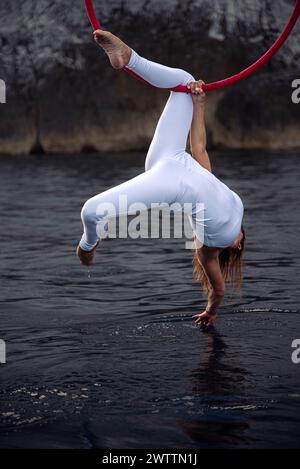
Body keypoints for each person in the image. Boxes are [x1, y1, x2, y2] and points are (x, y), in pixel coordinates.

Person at [77, 30, 245, 328]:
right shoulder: (222, 196)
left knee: (91, 210)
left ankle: (87, 246)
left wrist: (212, 309)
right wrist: (199, 105)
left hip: (170, 185)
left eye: (238, 245)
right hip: (172, 157)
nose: (241, 239)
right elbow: (199, 148)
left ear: (231, 248)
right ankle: (128, 58)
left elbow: (218, 289)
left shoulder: (208, 248)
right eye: (243, 237)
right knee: (183, 80)